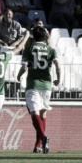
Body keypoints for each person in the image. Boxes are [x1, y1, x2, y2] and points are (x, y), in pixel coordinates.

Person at [17, 26, 61, 154]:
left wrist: (19, 75)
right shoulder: (51, 50)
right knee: (43, 114)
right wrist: (59, 79)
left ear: (33, 36)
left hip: (33, 84)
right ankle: (38, 145)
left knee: (34, 113)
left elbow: (25, 68)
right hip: (47, 86)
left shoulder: (28, 49)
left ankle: (43, 137)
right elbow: (58, 66)